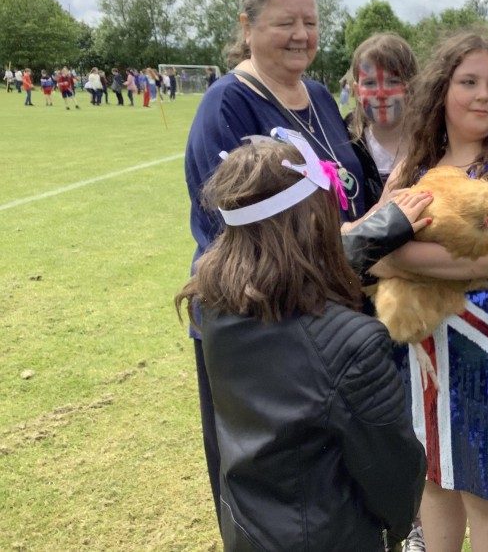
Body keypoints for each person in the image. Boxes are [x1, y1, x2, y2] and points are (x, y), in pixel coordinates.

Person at [184, 0, 375, 523]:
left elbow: (348, 185)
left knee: (333, 478)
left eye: (310, 22)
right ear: (247, 26)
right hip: (262, 322)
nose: (301, 35)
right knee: (273, 488)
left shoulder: (318, 95)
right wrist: (345, 247)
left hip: (332, 312)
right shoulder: (227, 104)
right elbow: (231, 232)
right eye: (284, 22)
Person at [176, 137, 427, 550]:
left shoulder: (215, 301)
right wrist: (396, 530)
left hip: (251, 533)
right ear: (315, 222)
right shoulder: (351, 345)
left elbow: (290, 267)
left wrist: (385, 227)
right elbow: (395, 474)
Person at [372, 30, 488, 552]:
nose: (483, 95)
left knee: (483, 489)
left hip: (482, 350)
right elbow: (367, 233)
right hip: (419, 347)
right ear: (442, 90)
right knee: (431, 478)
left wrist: (392, 256)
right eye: (468, 82)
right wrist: (370, 246)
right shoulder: (414, 164)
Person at [346, 32, 419, 208]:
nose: (380, 94)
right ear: (357, 91)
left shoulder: (432, 142)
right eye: (370, 83)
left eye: (393, 81)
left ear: (412, 87)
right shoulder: (347, 146)